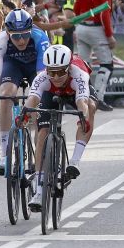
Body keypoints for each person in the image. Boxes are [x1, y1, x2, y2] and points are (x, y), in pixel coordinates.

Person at [24, 45, 97, 210]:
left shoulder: (79, 74)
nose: (56, 76)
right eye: (51, 72)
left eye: (60, 72)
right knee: (42, 132)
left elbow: (82, 102)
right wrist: (24, 115)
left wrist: (83, 116)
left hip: (74, 92)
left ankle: (75, 161)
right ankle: (39, 191)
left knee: (91, 107)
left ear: (69, 68)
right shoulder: (42, 78)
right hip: (50, 94)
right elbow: (32, 101)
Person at [0, 9, 50, 175]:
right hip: (13, 66)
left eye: (25, 35)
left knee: (36, 98)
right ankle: (4, 154)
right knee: (7, 94)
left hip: (36, 69)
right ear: (8, 33)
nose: (21, 40)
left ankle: (35, 140)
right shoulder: (0, 40)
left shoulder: (40, 38)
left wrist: (30, 103)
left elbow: (41, 79)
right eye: (16, 36)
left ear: (30, 31)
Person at [74, 0, 117, 112]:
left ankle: (80, 96)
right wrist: (109, 35)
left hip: (81, 26)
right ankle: (98, 97)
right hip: (96, 29)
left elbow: (77, 5)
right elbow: (104, 13)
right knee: (107, 64)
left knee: (83, 65)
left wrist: (76, 24)